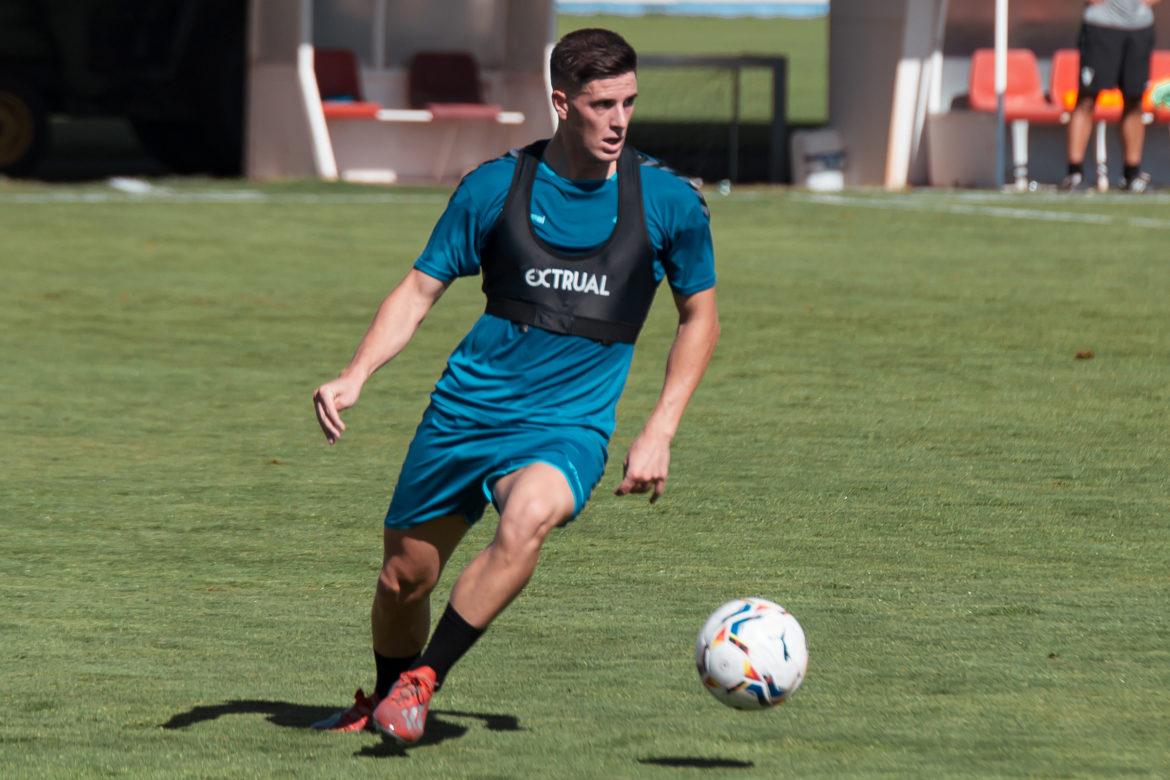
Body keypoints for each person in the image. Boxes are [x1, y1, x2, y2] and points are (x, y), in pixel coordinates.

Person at [309, 28, 719, 745]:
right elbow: (417, 290)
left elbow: (700, 318)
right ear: (562, 103)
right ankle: (381, 694)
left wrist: (660, 428)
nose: (619, 120)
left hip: (568, 426)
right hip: (466, 413)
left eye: (628, 101)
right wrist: (355, 374)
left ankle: (423, 680)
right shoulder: (494, 187)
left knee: (528, 516)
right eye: (601, 104)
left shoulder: (667, 202)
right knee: (403, 580)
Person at [1062, 0, 1161, 192]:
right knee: (1087, 99)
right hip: (1101, 26)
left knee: (1134, 100)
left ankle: (1131, 174)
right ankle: (1075, 173)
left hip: (1139, 28)